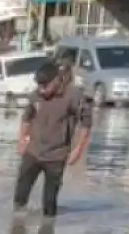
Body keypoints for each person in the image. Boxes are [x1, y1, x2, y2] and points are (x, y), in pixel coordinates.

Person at [15, 61, 91, 216]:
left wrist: (78, 149)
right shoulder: (36, 96)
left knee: (49, 203)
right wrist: (22, 139)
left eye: (46, 85)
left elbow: (86, 122)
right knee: (20, 196)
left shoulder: (73, 96)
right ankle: (17, 230)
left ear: (56, 80)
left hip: (56, 156)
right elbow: (26, 118)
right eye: (40, 86)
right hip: (33, 151)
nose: (42, 90)